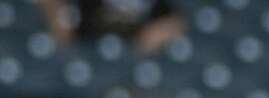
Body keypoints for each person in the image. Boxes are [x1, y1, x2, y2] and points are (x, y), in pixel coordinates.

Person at [39, 0, 187, 54]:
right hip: (86, 52)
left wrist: (166, 29)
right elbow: (64, 35)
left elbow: (180, 21)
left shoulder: (159, 7)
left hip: (133, 62)